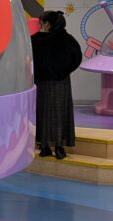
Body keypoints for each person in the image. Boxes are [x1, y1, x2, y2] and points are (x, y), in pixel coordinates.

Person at [31, 11, 82, 160]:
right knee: (61, 113)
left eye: (41, 22)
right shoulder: (67, 39)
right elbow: (77, 58)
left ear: (47, 23)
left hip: (41, 82)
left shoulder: (36, 40)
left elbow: (28, 60)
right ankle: (59, 147)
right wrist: (64, 71)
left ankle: (44, 146)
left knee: (42, 112)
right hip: (61, 82)